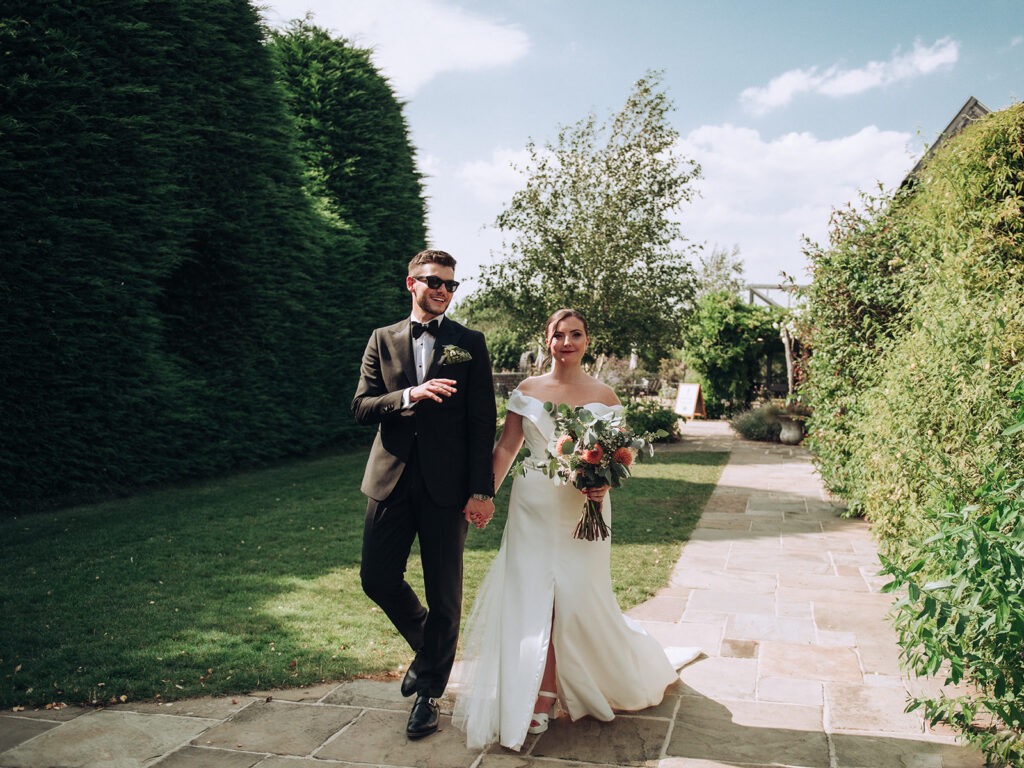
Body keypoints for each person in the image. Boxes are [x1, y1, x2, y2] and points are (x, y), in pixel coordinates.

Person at [452, 309, 701, 751]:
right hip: (533, 508)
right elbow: (508, 447)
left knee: (578, 598)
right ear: (546, 341)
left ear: (587, 341)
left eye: (576, 334)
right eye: (558, 335)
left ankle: (576, 679)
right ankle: (541, 694)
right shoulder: (526, 392)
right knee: (534, 598)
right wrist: (483, 494)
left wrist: (604, 479)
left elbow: (621, 454)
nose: (566, 342)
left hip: (585, 508)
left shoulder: (604, 394)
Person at [352, 249, 497, 740]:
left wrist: (482, 489)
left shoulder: (469, 342)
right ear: (410, 282)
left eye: (451, 285)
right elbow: (362, 406)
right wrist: (410, 395)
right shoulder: (381, 339)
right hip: (389, 480)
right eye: (434, 281)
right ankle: (428, 651)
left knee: (445, 593)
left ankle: (429, 695)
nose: (443, 290)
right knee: (376, 578)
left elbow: (482, 423)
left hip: (446, 487)